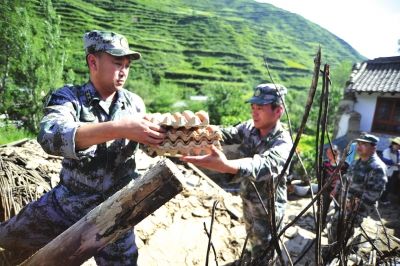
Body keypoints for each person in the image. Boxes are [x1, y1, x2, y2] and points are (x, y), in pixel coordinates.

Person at [0, 30, 166, 265]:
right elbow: (51, 136)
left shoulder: (134, 104)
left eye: (127, 65)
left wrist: (167, 137)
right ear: (93, 61)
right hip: (67, 204)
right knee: (6, 236)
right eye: (118, 63)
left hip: (116, 210)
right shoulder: (69, 97)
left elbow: (149, 148)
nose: (124, 71)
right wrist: (118, 128)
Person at [181, 83, 293, 263]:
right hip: (248, 199)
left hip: (268, 209)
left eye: (260, 108)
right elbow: (229, 133)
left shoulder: (283, 142)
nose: (254, 112)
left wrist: (225, 165)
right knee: (251, 238)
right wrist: (205, 130)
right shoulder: (250, 128)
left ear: (278, 111)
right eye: (253, 107)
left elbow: (263, 164)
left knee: (265, 251)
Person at [326, 134, 387, 262]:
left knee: (348, 234)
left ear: (373, 148)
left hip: (357, 210)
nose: (359, 147)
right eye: (358, 144)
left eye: (364, 144)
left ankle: (343, 257)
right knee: (335, 228)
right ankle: (334, 254)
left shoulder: (377, 167)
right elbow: (345, 178)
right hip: (345, 204)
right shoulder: (356, 162)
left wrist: (357, 205)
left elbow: (374, 194)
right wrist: (336, 190)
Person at [321, 145, 348, 226]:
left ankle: (335, 227)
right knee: (324, 208)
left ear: (336, 153)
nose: (327, 154)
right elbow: (322, 177)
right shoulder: (325, 164)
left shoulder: (344, 165)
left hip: (339, 191)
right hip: (326, 189)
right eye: (327, 152)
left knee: (338, 209)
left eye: (330, 152)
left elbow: (345, 179)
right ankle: (321, 225)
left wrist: (336, 190)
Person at [379, 137, 400, 205]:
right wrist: (397, 164)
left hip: (395, 171)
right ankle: (382, 199)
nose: (398, 147)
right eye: (397, 145)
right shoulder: (387, 151)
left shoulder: (398, 152)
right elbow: (387, 161)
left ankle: (383, 198)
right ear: (392, 144)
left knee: (390, 186)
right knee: (385, 185)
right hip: (387, 171)